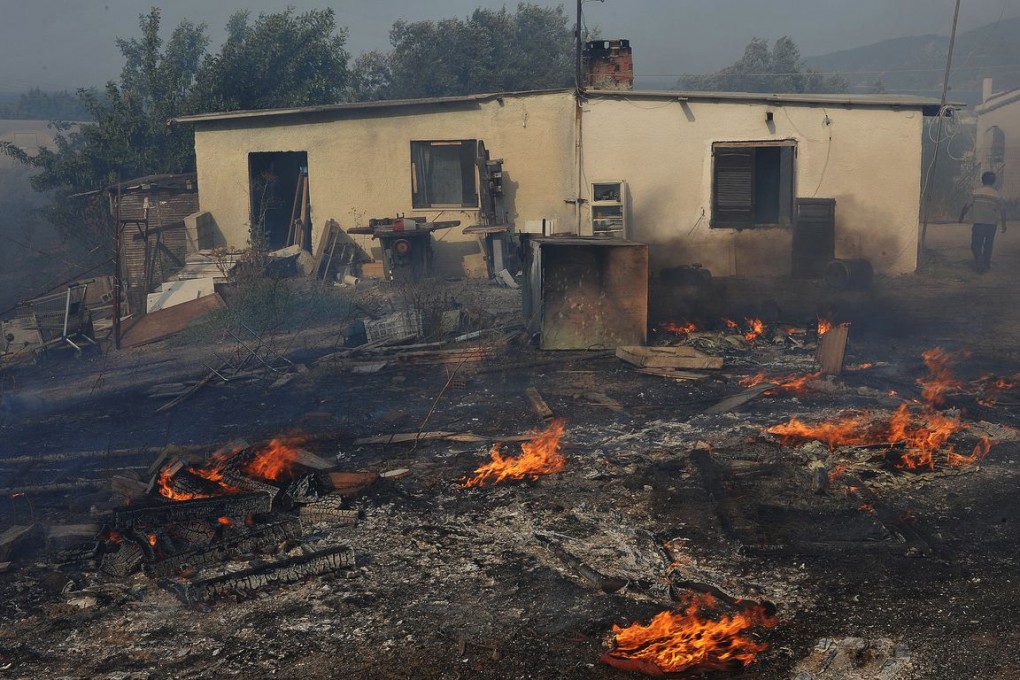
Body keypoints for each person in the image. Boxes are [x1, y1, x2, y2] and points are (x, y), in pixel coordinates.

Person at [959, 171, 1006, 273]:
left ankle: (979, 258)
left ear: (982, 180)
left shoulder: (976, 192)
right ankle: (986, 262)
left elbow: (967, 206)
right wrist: (1004, 225)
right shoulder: (997, 195)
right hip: (992, 224)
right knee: (988, 244)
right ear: (994, 182)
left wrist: (961, 216)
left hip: (979, 223)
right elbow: (1002, 210)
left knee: (975, 244)